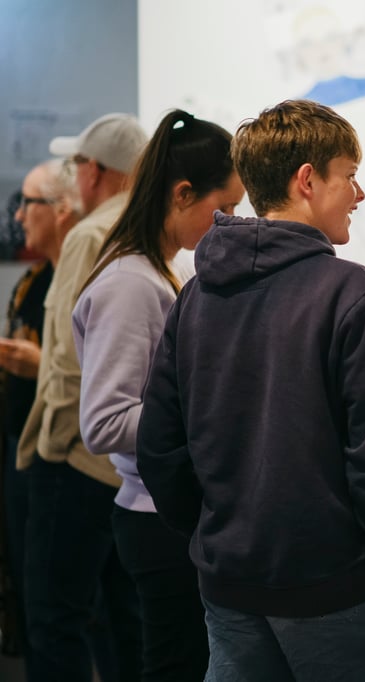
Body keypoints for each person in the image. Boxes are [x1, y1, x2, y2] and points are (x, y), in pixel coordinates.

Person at [135, 99, 365, 681]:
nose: (360, 195)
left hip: (227, 578)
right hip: (330, 581)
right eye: (350, 177)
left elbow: (160, 447)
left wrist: (217, 530)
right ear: (307, 181)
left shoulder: (196, 295)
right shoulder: (350, 292)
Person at [73, 109, 243, 681]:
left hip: (170, 511)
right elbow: (103, 421)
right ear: (182, 193)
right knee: (174, 666)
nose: (229, 224)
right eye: (224, 209)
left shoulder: (160, 274)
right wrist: (208, 409)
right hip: (154, 517)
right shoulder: (130, 284)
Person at [16, 112, 148, 681]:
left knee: (53, 618)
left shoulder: (93, 233)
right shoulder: (143, 228)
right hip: (126, 467)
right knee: (120, 619)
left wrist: (54, 448)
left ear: (94, 171)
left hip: (78, 460)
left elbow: (70, 362)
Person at [0, 158, 83, 671]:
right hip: (21, 445)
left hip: (69, 455)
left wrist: (40, 367)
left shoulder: (82, 279)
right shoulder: (30, 283)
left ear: (61, 210)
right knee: (33, 588)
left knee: (63, 603)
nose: (19, 216)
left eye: (29, 203)